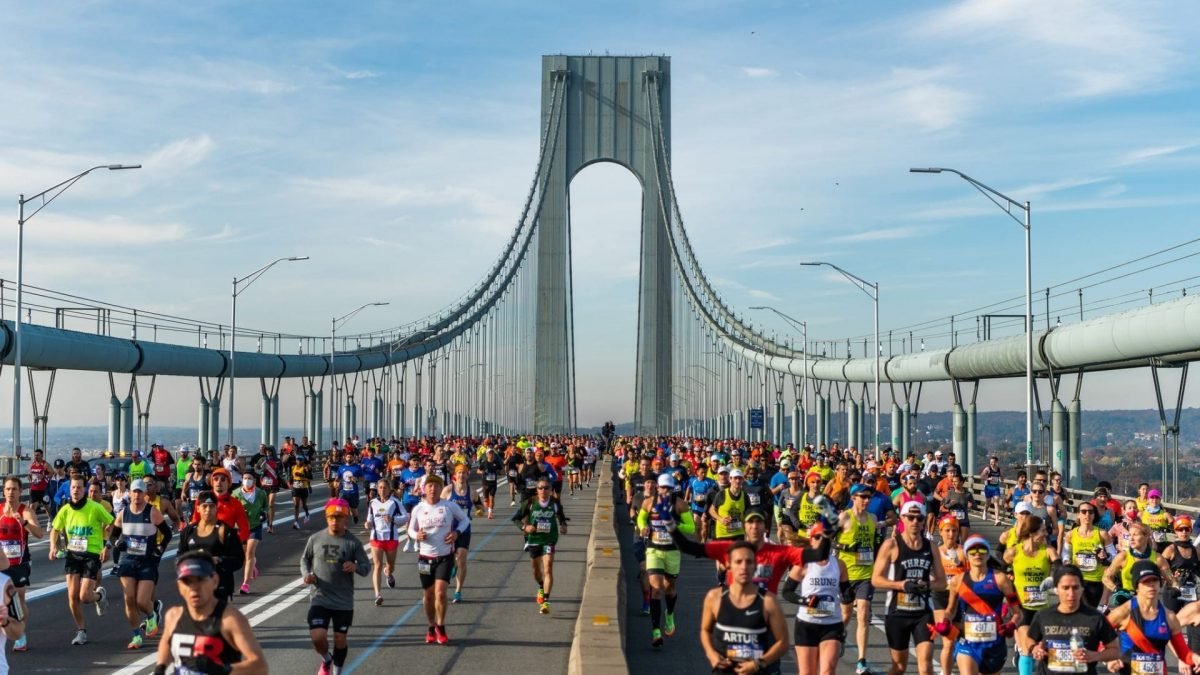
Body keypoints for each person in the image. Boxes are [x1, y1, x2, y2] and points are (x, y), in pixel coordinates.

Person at [154, 551, 267, 675]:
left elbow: (260, 666)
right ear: (179, 586)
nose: (194, 587)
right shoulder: (173, 616)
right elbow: (166, 642)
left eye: (200, 580)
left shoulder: (230, 619)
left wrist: (221, 670)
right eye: (187, 581)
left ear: (215, 580)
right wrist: (161, 667)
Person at [872, 500, 947, 675]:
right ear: (902, 519)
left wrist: (927, 585)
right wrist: (902, 585)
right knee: (899, 667)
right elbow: (876, 579)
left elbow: (942, 582)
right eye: (910, 517)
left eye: (919, 518)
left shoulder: (931, 546)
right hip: (897, 613)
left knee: (926, 665)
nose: (915, 522)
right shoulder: (891, 545)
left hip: (923, 613)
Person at [301, 498, 370, 675]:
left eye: (339, 517)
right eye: (331, 517)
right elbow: (305, 559)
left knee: (340, 639)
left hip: (343, 601)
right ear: (326, 517)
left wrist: (355, 567)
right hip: (320, 598)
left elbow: (366, 567)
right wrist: (306, 574)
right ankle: (326, 659)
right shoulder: (315, 539)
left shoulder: (353, 543)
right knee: (318, 637)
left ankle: (337, 672)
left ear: (345, 518)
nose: (334, 521)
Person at [700, 540, 789, 674]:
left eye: (749, 562)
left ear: (755, 566)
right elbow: (705, 630)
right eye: (738, 562)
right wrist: (711, 654)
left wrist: (758, 663)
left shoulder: (768, 601)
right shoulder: (714, 597)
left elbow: (783, 642)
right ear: (728, 565)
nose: (744, 567)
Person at [934, 535, 1017, 675]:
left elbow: (1017, 612)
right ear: (966, 555)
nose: (977, 554)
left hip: (994, 644)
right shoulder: (957, 581)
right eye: (972, 551)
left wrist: (1012, 624)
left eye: (982, 550)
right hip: (967, 642)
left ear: (988, 554)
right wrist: (945, 621)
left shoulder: (1001, 579)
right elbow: (950, 610)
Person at [49, 475, 114, 646]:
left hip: (91, 553)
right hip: (73, 554)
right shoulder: (65, 509)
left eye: (79, 487)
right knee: (72, 595)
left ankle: (99, 596)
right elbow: (55, 529)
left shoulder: (95, 507)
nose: (76, 490)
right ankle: (81, 631)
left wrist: (106, 544)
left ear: (84, 490)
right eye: (73, 487)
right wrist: (53, 547)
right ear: (69, 490)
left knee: (84, 596)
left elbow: (111, 522)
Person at [1105, 560, 1200, 674]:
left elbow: (1183, 653)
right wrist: (1109, 658)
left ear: (1160, 583)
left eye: (1154, 580)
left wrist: (1194, 658)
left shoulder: (1169, 617)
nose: (1151, 585)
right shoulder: (1124, 612)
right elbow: (1099, 634)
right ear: (1137, 586)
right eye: (1145, 581)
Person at [1026, 564, 1120, 675]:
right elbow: (1029, 639)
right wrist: (1034, 648)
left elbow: (1115, 650)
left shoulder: (1095, 617)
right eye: (1065, 588)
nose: (1071, 594)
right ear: (1056, 589)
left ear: (1082, 589)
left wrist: (1095, 656)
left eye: (1075, 588)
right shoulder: (1043, 615)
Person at [409, 474, 470, 643]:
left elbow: (465, 520)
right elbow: (410, 529)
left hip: (445, 557)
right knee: (428, 596)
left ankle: (441, 627)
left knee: (441, 593)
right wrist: (416, 535)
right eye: (430, 486)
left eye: (436, 486)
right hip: (425, 558)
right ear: (424, 489)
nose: (433, 489)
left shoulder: (449, 506)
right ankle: (431, 626)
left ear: (440, 488)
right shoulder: (418, 509)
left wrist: (456, 533)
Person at [638, 473, 694, 647]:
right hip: (654, 550)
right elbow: (641, 518)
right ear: (658, 488)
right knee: (656, 588)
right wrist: (643, 527)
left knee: (670, 588)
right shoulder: (649, 502)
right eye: (663, 488)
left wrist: (676, 525)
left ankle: (669, 613)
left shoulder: (680, 504)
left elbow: (691, 528)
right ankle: (656, 631)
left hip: (672, 551)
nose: (666, 491)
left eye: (669, 488)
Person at [114, 478, 171, 649]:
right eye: (134, 492)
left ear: (145, 494)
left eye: (140, 492)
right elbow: (113, 534)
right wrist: (117, 543)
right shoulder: (123, 513)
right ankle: (136, 636)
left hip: (147, 561)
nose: (137, 495)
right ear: (130, 494)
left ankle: (152, 613)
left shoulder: (152, 512)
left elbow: (167, 534)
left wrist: (159, 549)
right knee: (129, 599)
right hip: (127, 560)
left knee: (141, 601)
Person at [782, 527, 846, 675]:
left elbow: (847, 592)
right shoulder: (804, 564)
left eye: (825, 537)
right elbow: (787, 592)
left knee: (827, 672)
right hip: (807, 625)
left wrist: (849, 596)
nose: (821, 540)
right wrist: (805, 601)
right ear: (811, 541)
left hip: (832, 624)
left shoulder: (839, 564)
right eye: (817, 537)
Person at [1004, 514, 1059, 675]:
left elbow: (1059, 567)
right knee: (1028, 649)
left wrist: (1054, 576)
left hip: (1042, 608)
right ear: (1032, 532)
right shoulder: (1014, 552)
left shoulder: (1048, 551)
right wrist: (1009, 577)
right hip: (1021, 607)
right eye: (1043, 530)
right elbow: (999, 573)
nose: (1046, 534)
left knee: (1046, 649)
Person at [836, 483, 879, 675]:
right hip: (846, 574)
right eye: (863, 497)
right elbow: (828, 539)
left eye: (869, 497)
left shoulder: (873, 518)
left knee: (863, 613)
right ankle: (840, 635)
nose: (866, 500)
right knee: (845, 615)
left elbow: (876, 544)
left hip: (866, 574)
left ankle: (861, 661)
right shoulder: (844, 517)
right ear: (853, 498)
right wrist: (846, 548)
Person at [513, 477, 569, 616]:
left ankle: (546, 602)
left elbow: (561, 516)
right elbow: (516, 518)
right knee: (536, 571)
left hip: (549, 539)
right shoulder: (530, 502)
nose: (543, 490)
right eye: (540, 488)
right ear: (537, 490)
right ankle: (541, 586)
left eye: (546, 488)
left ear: (550, 490)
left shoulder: (555, 503)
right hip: (534, 539)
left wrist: (563, 525)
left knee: (548, 567)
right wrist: (525, 527)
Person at [177, 491, 244, 602]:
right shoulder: (188, 532)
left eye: (211, 506)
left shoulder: (225, 531)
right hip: (194, 589)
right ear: (198, 508)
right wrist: (190, 562)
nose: (208, 510)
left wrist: (219, 560)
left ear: (216, 508)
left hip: (219, 587)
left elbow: (239, 560)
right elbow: (179, 556)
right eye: (204, 506)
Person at [1, 476, 43, 651]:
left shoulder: (25, 511)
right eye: (8, 489)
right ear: (4, 491)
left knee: (18, 599)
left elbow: (39, 534)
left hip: (19, 563)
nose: (11, 492)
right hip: (1, 563)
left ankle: (21, 634)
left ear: (20, 492)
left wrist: (24, 523)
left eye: (14, 489)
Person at [1061, 500, 1116, 608]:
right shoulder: (1071, 534)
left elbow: (1113, 556)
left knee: (1090, 611)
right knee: (1075, 609)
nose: (1087, 514)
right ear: (1078, 514)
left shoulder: (1102, 534)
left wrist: (1105, 556)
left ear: (1094, 515)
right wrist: (1067, 562)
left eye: (1091, 512)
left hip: (1095, 580)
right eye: (1084, 511)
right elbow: (1065, 553)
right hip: (1077, 579)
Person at [366, 478, 408, 606]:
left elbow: (405, 517)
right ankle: (377, 595)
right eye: (380, 488)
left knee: (390, 566)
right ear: (377, 489)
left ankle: (388, 573)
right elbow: (369, 519)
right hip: (376, 538)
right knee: (377, 565)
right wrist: (368, 524)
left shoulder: (394, 502)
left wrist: (393, 519)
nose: (382, 490)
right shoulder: (373, 503)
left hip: (391, 538)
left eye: (385, 487)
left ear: (389, 489)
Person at [442, 464, 475, 604]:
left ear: (467, 475)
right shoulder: (448, 490)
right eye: (459, 472)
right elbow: (438, 505)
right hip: (448, 530)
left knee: (461, 558)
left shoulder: (472, 492)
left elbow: (479, 505)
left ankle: (458, 591)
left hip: (464, 529)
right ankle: (453, 566)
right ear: (455, 475)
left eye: (464, 473)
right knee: (448, 559)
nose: (461, 475)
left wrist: (480, 510)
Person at [233, 473, 268, 595]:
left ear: (254, 480)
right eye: (245, 478)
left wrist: (263, 513)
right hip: (241, 528)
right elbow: (231, 510)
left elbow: (265, 507)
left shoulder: (260, 493)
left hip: (255, 526)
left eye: (249, 478)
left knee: (249, 553)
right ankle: (252, 565)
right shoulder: (235, 494)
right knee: (245, 555)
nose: (247, 480)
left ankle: (245, 584)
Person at [978, 455, 1004, 525]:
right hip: (988, 488)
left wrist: (1001, 479)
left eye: (994, 462)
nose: (992, 463)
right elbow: (981, 476)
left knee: (996, 502)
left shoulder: (999, 469)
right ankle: (985, 511)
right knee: (988, 502)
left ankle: (997, 519)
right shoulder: (987, 469)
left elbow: (1002, 478)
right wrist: (988, 478)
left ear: (997, 462)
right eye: (991, 462)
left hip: (996, 488)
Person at [291, 454, 313, 528]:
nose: (299, 461)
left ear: (303, 461)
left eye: (300, 460)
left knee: (303, 505)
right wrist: (289, 484)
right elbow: (291, 477)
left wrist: (302, 475)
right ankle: (296, 522)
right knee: (296, 505)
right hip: (295, 488)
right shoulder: (293, 467)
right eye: (297, 460)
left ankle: (307, 513)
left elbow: (310, 478)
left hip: (303, 488)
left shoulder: (306, 468)